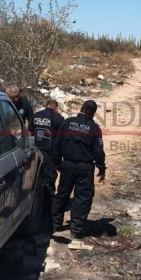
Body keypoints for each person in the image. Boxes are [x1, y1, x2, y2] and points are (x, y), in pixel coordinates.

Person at [52, 100, 106, 239]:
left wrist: (57, 162)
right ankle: (75, 229)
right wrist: (101, 167)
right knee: (82, 197)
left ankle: (56, 224)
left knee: (62, 193)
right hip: (85, 167)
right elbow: (99, 151)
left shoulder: (68, 122)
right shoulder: (94, 128)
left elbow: (57, 142)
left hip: (68, 165)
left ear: (81, 108)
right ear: (93, 113)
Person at [33, 99, 64, 216]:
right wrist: (59, 161)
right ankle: (47, 211)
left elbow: (30, 133)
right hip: (50, 155)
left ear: (46, 106)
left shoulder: (36, 116)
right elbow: (62, 140)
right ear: (56, 108)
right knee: (49, 181)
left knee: (35, 180)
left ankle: (36, 208)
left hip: (35, 153)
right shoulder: (59, 119)